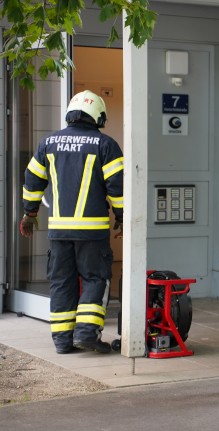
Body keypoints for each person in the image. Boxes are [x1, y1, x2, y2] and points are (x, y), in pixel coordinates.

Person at [20, 90, 124, 355]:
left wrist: (29, 214)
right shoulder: (106, 144)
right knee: (95, 278)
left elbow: (32, 180)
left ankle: (63, 341)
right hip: (92, 231)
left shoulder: (48, 143)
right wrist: (122, 217)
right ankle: (87, 333)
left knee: (61, 282)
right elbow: (118, 188)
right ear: (98, 115)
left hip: (59, 231)